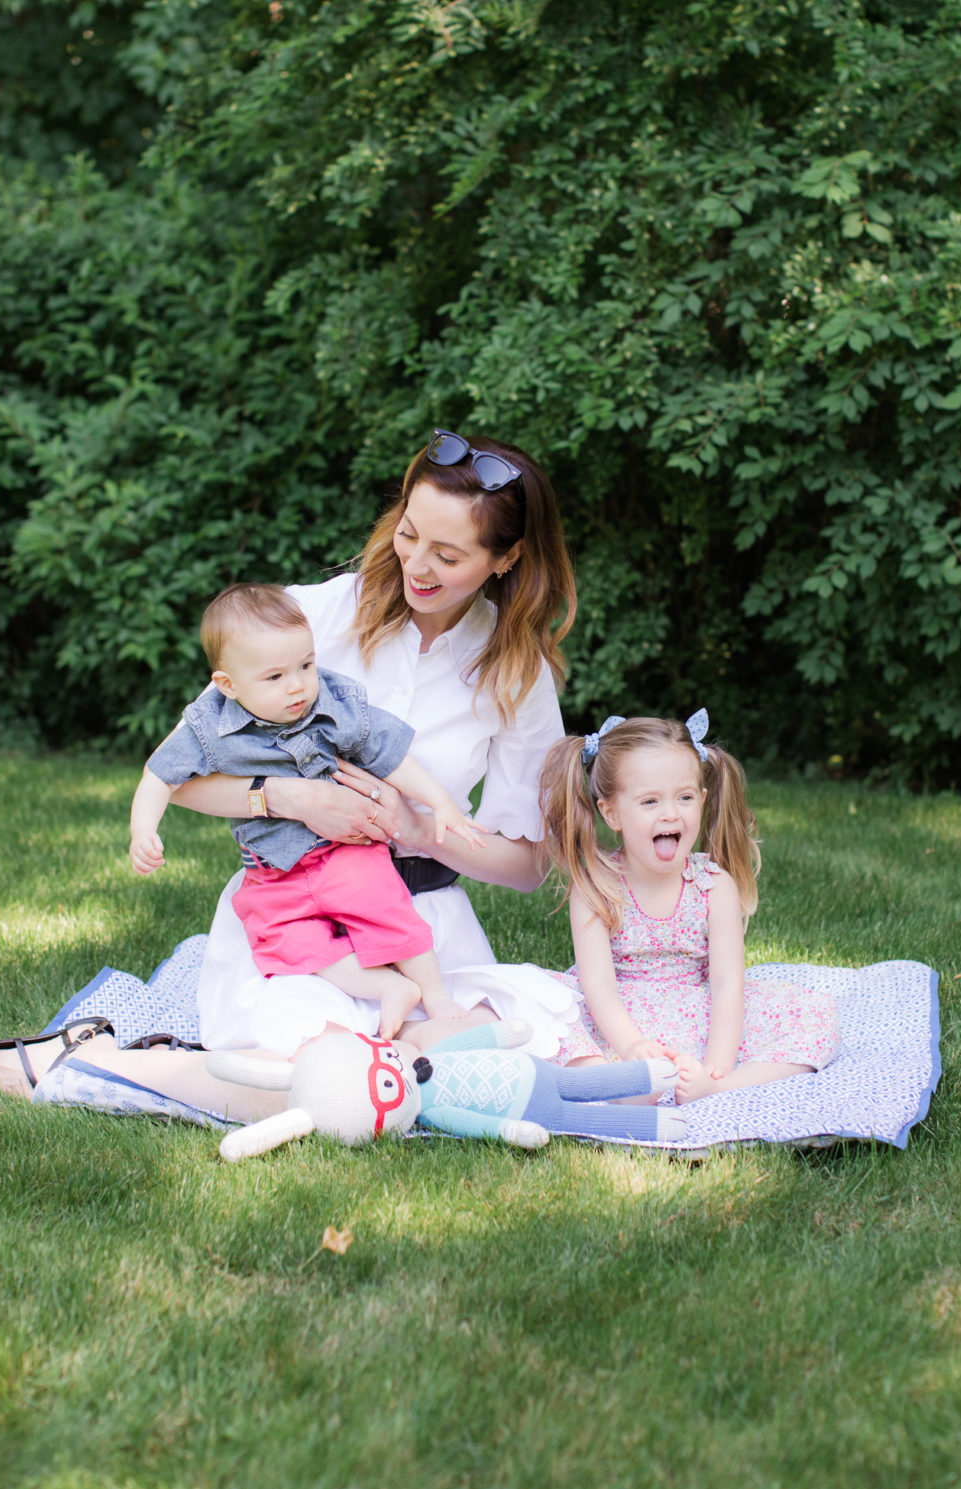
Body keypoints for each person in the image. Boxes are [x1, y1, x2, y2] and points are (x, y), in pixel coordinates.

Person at [168, 428, 581, 1059]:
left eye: (448, 555)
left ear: (506, 557)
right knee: (314, 1059)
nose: (416, 564)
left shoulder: (516, 673)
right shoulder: (315, 616)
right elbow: (177, 775)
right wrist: (286, 798)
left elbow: (529, 867)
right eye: (409, 533)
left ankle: (419, 1036)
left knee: (530, 1041)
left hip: (420, 929)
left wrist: (418, 829)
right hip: (300, 920)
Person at [129, 581, 487, 1038]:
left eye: (306, 665)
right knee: (283, 943)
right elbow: (161, 775)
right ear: (227, 684)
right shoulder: (210, 726)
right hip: (273, 873)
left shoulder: (333, 706)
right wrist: (144, 831)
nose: (297, 685)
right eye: (275, 677)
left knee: (387, 910)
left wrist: (441, 803)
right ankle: (387, 988)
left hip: (344, 853)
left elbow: (391, 757)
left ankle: (433, 994)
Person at [539, 711, 840, 1101]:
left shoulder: (713, 887)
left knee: (816, 1015)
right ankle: (618, 1081)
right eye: (649, 801)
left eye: (683, 798)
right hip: (617, 1021)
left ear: (701, 800)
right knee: (536, 1010)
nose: (670, 813)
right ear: (610, 813)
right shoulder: (597, 886)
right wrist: (632, 1046)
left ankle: (717, 1088)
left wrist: (718, 1065)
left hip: (698, 1016)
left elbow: (727, 982)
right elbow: (598, 985)